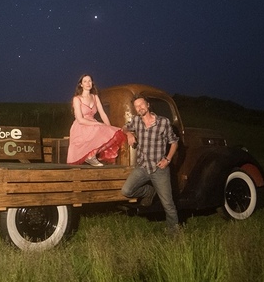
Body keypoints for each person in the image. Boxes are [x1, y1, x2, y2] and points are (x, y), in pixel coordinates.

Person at [121, 94, 181, 235]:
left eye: (141, 104)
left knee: (168, 203)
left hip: (159, 168)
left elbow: (174, 142)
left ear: (148, 105)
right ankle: (149, 191)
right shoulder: (136, 121)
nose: (139, 108)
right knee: (126, 191)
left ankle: (174, 231)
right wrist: (129, 134)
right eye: (136, 106)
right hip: (142, 166)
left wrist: (167, 159)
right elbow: (124, 127)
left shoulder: (163, 122)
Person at [66, 74, 127, 166]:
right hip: (81, 126)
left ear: (92, 83)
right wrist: (98, 124)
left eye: (89, 81)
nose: (88, 83)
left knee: (114, 132)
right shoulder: (77, 99)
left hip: (93, 124)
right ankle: (90, 156)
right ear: (81, 85)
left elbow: (102, 114)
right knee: (98, 128)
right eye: (85, 81)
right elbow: (80, 119)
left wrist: (109, 129)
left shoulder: (95, 97)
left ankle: (91, 155)